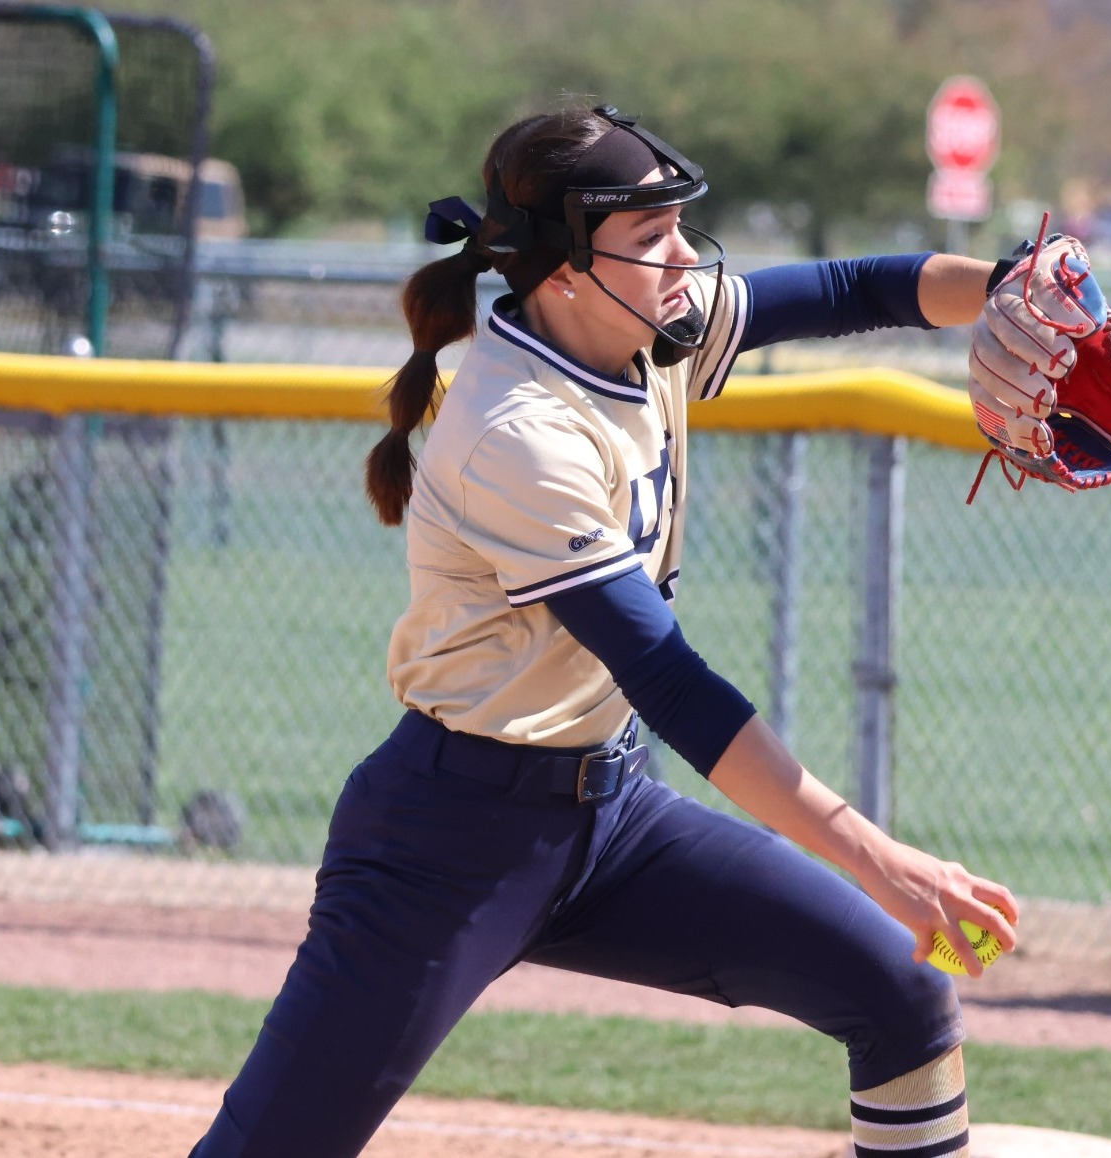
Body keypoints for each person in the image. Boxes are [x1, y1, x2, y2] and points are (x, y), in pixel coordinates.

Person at [188, 102, 1036, 1158]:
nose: (684, 258)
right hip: (450, 841)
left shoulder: (648, 324)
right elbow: (668, 680)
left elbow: (856, 288)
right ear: (561, 273)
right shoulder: (515, 430)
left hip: (614, 819)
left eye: (678, 227)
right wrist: (879, 860)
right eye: (650, 236)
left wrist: (1007, 284)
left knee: (900, 992)